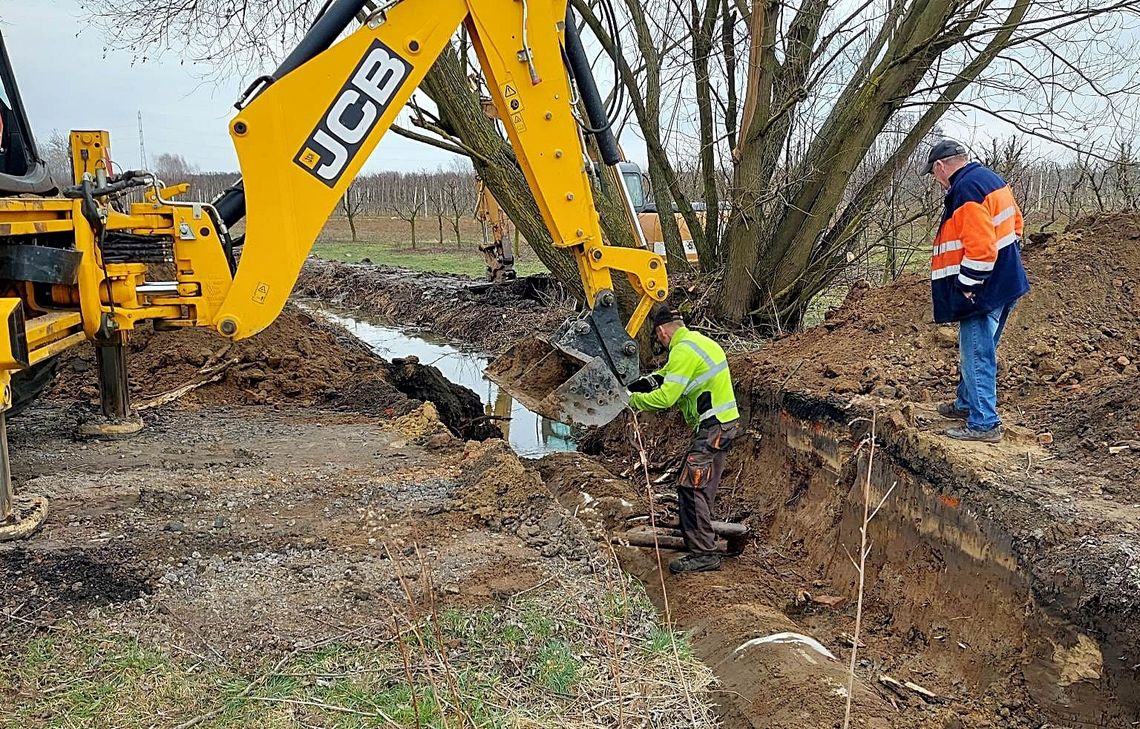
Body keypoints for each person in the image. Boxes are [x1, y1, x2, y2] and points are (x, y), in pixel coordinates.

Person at [923, 139, 1030, 443]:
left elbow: (981, 250)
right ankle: (966, 404)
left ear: (941, 166)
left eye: (934, 174)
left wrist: (968, 286)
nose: (936, 180)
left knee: (977, 354)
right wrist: (1007, 261)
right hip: (1005, 281)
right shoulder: (990, 179)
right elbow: (1017, 224)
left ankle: (984, 423)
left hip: (981, 290)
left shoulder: (966, 190)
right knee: (980, 350)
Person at [627, 305, 741, 573]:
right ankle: (699, 535)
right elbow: (665, 377)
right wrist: (637, 384)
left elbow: (667, 397)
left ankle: (703, 553)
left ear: (662, 331)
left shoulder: (682, 350)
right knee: (702, 485)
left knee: (690, 487)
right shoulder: (695, 342)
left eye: (657, 337)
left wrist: (630, 400)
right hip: (722, 424)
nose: (660, 342)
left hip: (714, 426)